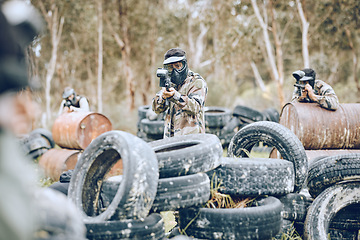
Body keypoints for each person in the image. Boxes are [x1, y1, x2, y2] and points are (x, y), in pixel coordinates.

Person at [152, 48, 208, 138]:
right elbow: (156, 109)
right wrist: (163, 97)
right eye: (170, 67)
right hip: (170, 139)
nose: (174, 70)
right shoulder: (169, 81)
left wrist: (175, 96)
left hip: (192, 139)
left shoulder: (196, 81)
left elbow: (196, 107)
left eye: (178, 66)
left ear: (184, 65)